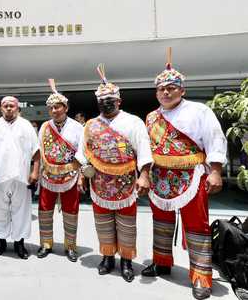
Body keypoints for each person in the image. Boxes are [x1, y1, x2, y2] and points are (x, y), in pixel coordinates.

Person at [141, 49, 227, 300]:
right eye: (161, 89)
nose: (165, 92)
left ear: (182, 90)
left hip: (191, 176)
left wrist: (216, 172)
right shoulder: (151, 117)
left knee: (196, 225)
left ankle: (201, 276)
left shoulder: (199, 111)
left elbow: (215, 140)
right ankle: (162, 262)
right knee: (161, 222)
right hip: (159, 179)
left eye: (171, 88)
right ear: (156, 92)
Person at [75, 64, 152, 282]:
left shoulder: (133, 121)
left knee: (127, 223)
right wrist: (82, 175)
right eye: (102, 101)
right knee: (103, 222)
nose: (106, 104)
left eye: (110, 100)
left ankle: (126, 261)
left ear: (119, 101)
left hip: (126, 182)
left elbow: (144, 150)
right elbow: (84, 153)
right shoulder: (90, 125)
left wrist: (144, 175)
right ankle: (107, 257)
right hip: (99, 182)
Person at [0, 96, 39, 259]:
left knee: (21, 212)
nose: (9, 108)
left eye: (12, 106)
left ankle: (19, 244)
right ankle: (0, 243)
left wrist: (35, 172)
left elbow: (36, 152)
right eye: (5, 106)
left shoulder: (26, 126)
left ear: (17, 108)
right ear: (1, 108)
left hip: (21, 177)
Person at [37, 79, 83, 262]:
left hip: (70, 174)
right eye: (52, 108)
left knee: (71, 210)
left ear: (66, 107)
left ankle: (70, 245)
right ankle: (46, 243)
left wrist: (80, 177)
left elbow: (82, 152)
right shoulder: (44, 127)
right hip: (48, 175)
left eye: (58, 107)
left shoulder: (78, 127)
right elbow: (40, 149)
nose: (55, 110)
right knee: (44, 209)